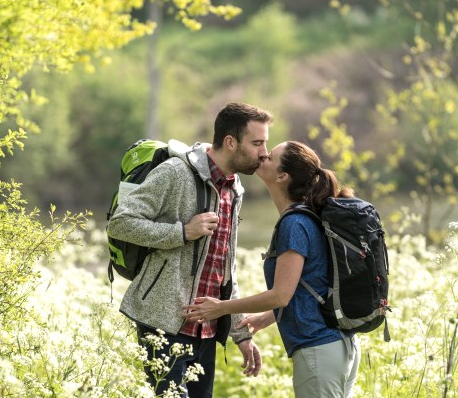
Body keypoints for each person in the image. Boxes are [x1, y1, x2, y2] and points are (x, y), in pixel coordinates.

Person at [107, 102, 273, 397]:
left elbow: (225, 267)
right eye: (257, 142)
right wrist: (182, 232)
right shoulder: (175, 172)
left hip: (206, 330)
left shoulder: (234, 189)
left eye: (265, 143)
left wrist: (240, 333)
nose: (264, 152)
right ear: (231, 142)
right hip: (162, 324)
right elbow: (120, 223)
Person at [183, 141, 361, 398]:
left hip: (319, 350)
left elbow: (281, 295)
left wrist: (220, 307)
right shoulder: (311, 215)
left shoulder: (295, 223)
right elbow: (309, 286)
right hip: (340, 348)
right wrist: (266, 318)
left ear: (282, 176)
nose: (263, 155)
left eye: (270, 157)